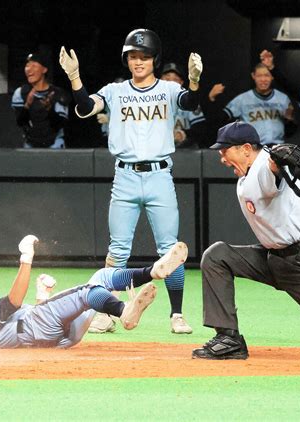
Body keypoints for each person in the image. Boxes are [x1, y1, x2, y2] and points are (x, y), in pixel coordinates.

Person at [59, 28, 203, 334]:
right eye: (133, 56)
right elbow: (86, 108)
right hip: (124, 176)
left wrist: (193, 81)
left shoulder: (167, 89)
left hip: (159, 175)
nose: (138, 62)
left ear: (155, 60)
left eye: (144, 56)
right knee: (119, 249)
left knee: (169, 249)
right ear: (127, 60)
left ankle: (176, 314)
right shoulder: (115, 90)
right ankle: (107, 313)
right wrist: (74, 77)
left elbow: (189, 102)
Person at [192, 121, 300, 360]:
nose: (221, 157)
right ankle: (228, 339)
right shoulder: (247, 172)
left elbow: (272, 168)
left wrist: (278, 161)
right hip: (273, 259)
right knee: (218, 256)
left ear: (245, 148)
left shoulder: (263, 165)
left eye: (225, 150)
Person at [0, 234, 188, 349]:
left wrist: (43, 296)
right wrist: (26, 258)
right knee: (87, 292)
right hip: (40, 329)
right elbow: (13, 303)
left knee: (101, 278)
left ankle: (153, 271)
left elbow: (21, 321)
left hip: (49, 335)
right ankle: (124, 310)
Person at [205, 62, 297, 147]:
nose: (263, 79)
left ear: (272, 77)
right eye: (259, 76)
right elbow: (219, 120)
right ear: (253, 76)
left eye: (266, 75)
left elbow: (290, 133)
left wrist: (289, 120)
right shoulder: (242, 99)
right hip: (254, 149)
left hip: (278, 147)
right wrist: (211, 98)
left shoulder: (282, 98)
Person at [11, 52, 70, 149]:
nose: (29, 70)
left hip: (54, 144)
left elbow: (59, 125)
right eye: (27, 66)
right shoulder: (21, 92)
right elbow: (20, 122)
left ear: (44, 69)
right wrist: (27, 105)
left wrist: (49, 109)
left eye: (34, 66)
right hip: (30, 145)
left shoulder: (57, 93)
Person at [160, 62, 207, 148]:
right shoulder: (149, 100)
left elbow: (201, 129)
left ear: (181, 83)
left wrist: (183, 134)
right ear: (160, 80)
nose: (170, 82)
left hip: (184, 152)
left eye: (175, 80)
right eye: (167, 78)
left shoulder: (188, 100)